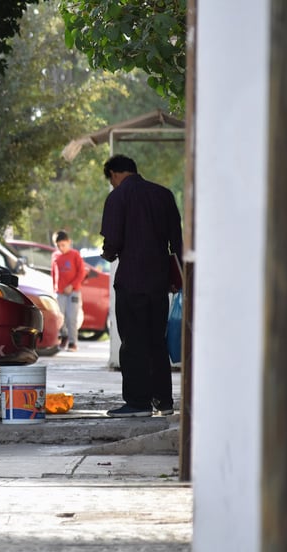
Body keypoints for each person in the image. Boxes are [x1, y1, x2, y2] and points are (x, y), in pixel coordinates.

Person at [100, 154, 183, 418]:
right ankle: (164, 401)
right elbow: (178, 242)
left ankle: (137, 403)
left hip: (131, 282)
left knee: (133, 343)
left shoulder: (118, 197)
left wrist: (108, 253)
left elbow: (112, 242)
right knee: (156, 341)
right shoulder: (164, 195)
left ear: (114, 174)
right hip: (159, 283)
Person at [50, 230, 85, 352]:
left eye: (63, 245)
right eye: (58, 246)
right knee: (60, 317)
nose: (61, 248)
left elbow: (81, 272)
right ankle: (63, 336)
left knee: (72, 317)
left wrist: (72, 285)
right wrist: (54, 288)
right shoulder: (55, 256)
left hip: (73, 292)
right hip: (60, 292)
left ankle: (72, 342)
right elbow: (54, 273)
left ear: (69, 242)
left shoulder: (75, 255)